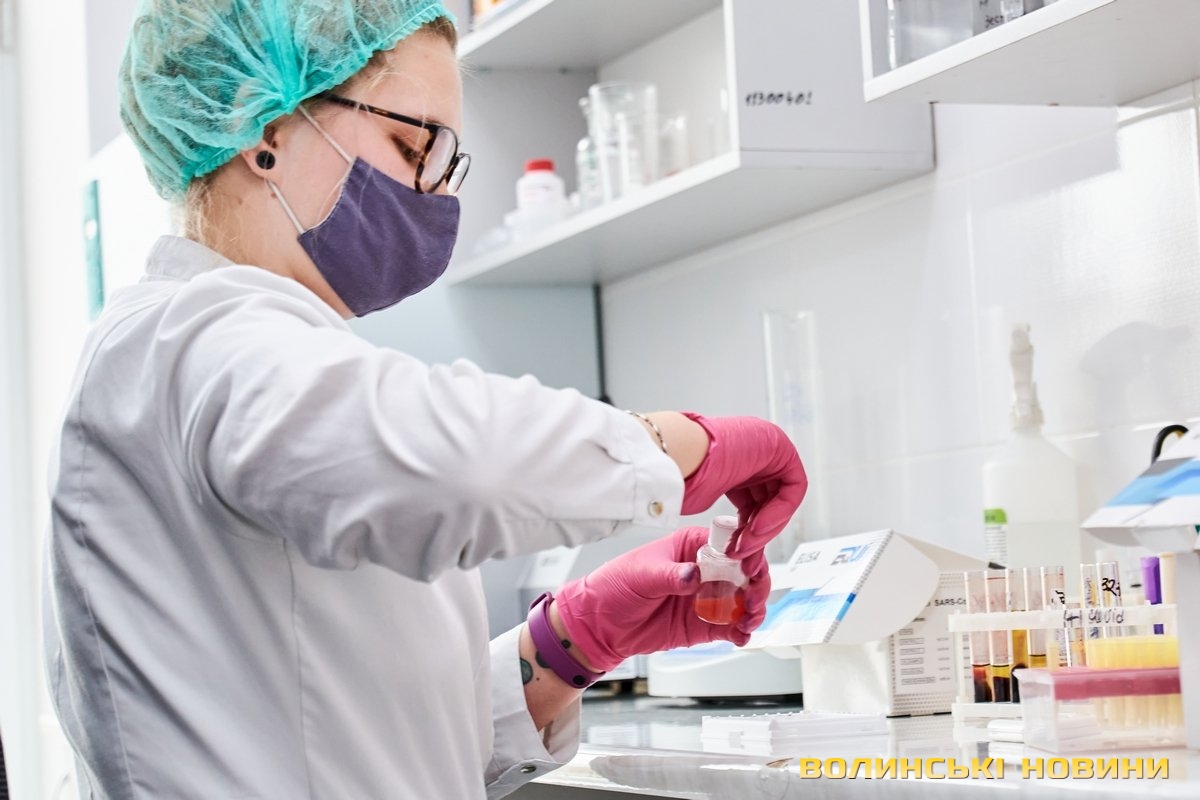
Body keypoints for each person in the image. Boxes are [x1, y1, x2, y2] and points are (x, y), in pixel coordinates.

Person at [42, 1, 807, 798]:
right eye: (415, 147)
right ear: (262, 130)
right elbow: (459, 464)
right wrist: (679, 447)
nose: (436, 194)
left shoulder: (260, 355)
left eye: (448, 164)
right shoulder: (190, 342)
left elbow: (370, 737)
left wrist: (568, 642)